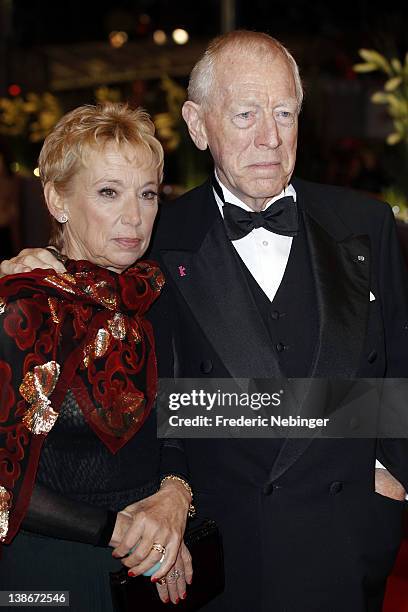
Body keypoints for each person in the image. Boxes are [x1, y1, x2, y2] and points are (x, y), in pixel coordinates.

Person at [2, 31, 408, 612]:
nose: (269, 137)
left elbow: (400, 355)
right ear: (198, 125)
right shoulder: (150, 243)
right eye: (245, 114)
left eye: (284, 113)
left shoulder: (366, 222)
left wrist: (389, 469)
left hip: (344, 542)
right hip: (223, 552)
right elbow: (170, 397)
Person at [0, 102, 193, 610]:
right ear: (56, 199)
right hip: (46, 573)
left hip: (147, 567)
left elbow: (178, 421)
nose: (134, 216)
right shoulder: (26, 307)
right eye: (109, 192)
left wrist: (172, 508)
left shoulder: (155, 299)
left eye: (147, 194)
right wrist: (123, 531)